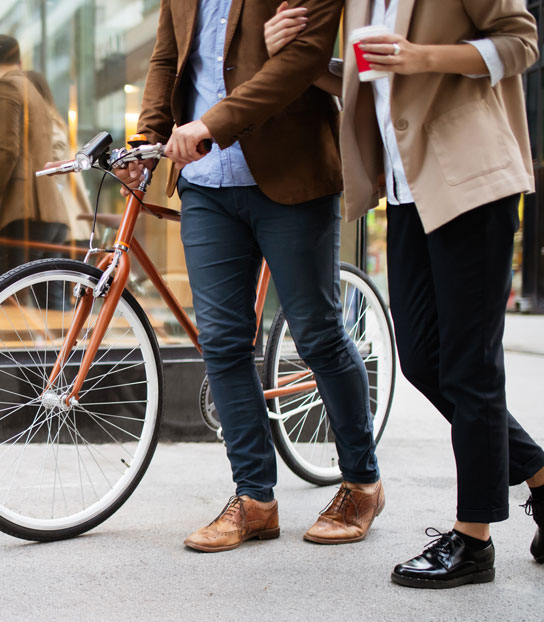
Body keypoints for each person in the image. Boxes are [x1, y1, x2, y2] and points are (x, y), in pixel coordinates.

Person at [267, 0, 544, 588]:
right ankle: (541, 480)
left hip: (470, 178)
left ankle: (473, 541)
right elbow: (367, 78)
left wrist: (424, 57)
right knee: (423, 358)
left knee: (470, 365)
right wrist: (294, 58)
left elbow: (522, 42)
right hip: (406, 191)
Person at [119, 0, 384, 554]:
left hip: (291, 173)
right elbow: (168, 60)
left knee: (316, 334)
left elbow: (303, 59)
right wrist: (146, 139)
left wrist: (210, 124)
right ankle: (255, 498)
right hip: (205, 183)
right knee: (221, 343)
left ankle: (362, 482)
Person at [0, 36, 69, 286]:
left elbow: (5, 152)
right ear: (19, 61)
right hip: (50, 215)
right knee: (46, 314)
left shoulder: (3, 89)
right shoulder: (32, 91)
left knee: (7, 310)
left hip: (21, 215)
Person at [24, 70, 93, 247]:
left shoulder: (47, 120)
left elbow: (58, 161)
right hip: (71, 224)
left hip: (67, 223)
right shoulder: (53, 119)